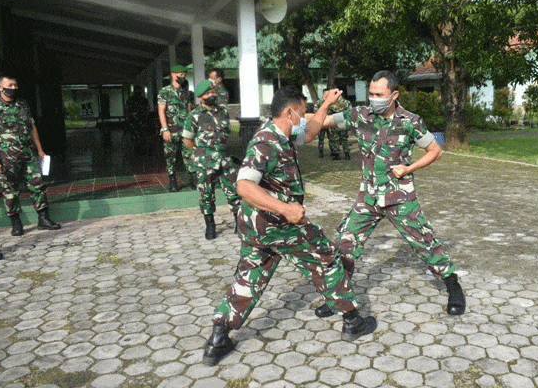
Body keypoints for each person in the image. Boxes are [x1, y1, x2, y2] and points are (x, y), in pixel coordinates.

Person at [203, 86, 377, 366]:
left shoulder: (284, 133)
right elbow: (244, 186)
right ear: (289, 112)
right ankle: (353, 321)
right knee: (328, 259)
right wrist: (285, 208)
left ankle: (218, 339)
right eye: (302, 111)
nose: (305, 116)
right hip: (279, 224)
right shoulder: (264, 142)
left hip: (257, 229)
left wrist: (325, 105)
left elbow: (309, 133)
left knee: (250, 277)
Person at [315, 70, 466, 319]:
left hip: (400, 197)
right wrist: (304, 114)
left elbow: (435, 150)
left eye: (379, 94)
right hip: (369, 197)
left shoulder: (411, 121)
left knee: (425, 243)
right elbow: (324, 122)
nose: (373, 99)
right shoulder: (360, 115)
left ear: (394, 95)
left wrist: (409, 168)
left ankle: (453, 285)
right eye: (371, 94)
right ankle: (338, 298)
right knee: (345, 244)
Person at [0, 75, 62, 236]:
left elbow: (32, 128)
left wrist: (39, 150)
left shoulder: (23, 104)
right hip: (6, 158)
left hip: (28, 153)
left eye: (15, 85)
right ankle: (16, 223)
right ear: (0, 87)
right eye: (9, 85)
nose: (13, 87)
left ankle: (43, 219)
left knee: (38, 185)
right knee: (10, 190)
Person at [183, 79, 241, 241]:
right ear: (201, 97)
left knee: (234, 192)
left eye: (213, 92)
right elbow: (187, 140)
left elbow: (226, 134)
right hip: (205, 163)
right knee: (206, 195)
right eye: (208, 93)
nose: (212, 95)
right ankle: (210, 226)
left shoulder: (223, 112)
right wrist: (201, 153)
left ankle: (239, 224)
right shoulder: (194, 116)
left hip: (225, 160)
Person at [158, 65, 195, 192]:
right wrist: (165, 129)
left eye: (184, 75)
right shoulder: (165, 91)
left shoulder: (188, 93)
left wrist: (192, 129)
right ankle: (172, 180)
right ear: (173, 75)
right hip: (171, 130)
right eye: (180, 74)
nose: (182, 77)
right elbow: (161, 111)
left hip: (186, 130)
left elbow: (189, 111)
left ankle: (193, 179)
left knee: (190, 155)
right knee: (170, 156)